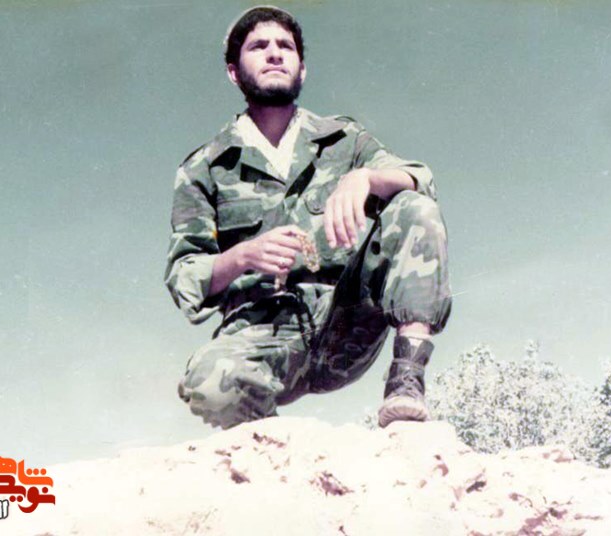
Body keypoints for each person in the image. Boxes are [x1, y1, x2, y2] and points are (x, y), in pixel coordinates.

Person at [164, 5, 451, 430]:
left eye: (286, 46)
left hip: (345, 322)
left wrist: (367, 177)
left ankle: (406, 384)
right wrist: (242, 256)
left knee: (413, 206)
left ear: (302, 68)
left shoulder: (344, 140)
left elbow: (421, 180)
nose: (274, 53)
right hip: (262, 335)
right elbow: (184, 277)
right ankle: (271, 445)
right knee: (209, 383)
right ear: (233, 72)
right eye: (258, 46)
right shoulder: (205, 168)